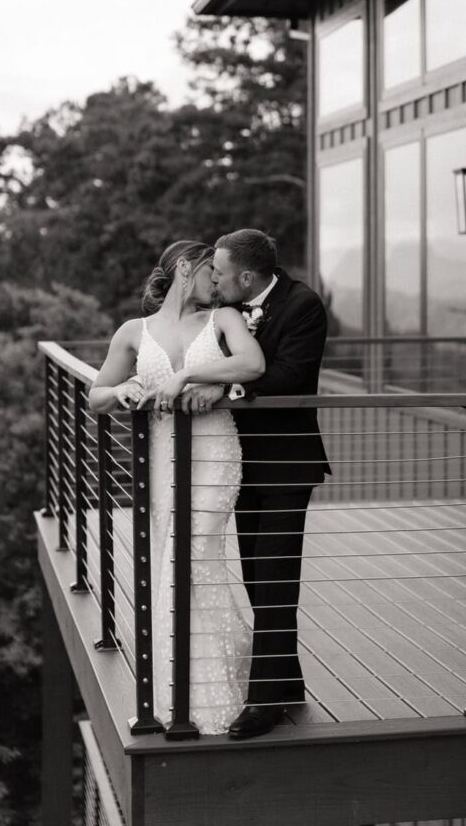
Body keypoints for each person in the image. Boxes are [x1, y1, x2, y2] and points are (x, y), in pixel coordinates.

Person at [145, 229, 330, 739]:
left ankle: (265, 703)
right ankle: (287, 680)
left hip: (287, 466)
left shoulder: (303, 305)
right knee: (257, 577)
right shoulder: (226, 312)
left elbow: (291, 375)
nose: (216, 279)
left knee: (275, 582)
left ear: (247, 277)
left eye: (221, 273)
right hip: (241, 464)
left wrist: (219, 385)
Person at [88, 240, 265, 735]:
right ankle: (171, 694)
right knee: (171, 560)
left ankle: (207, 699)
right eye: (212, 271)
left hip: (214, 454)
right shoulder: (132, 332)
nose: (219, 281)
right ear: (187, 268)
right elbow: (95, 395)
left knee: (193, 557)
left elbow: (252, 365)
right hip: (160, 460)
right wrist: (121, 390)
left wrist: (190, 374)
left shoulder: (224, 319)